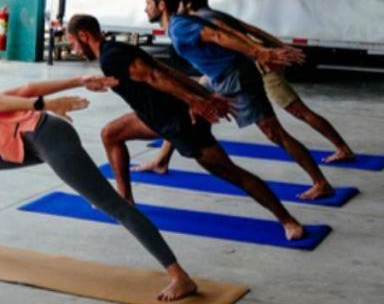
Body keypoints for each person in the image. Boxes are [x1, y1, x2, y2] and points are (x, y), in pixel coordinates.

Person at [0, 69, 200, 302]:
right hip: (29, 144)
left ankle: (179, 275)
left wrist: (44, 105)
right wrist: (78, 80)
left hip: (46, 137)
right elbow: (24, 90)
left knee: (112, 205)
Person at [64, 13, 308, 241]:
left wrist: (198, 101)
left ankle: (288, 220)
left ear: (85, 35)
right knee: (110, 134)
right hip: (153, 119)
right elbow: (167, 70)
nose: (73, 48)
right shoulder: (115, 51)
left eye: (73, 42)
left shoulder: (111, 56)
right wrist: (205, 94)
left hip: (180, 123)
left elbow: (155, 76)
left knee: (231, 173)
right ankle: (126, 201)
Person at [146, 0, 335, 201]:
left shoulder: (179, 27)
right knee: (185, 109)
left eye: (148, 3)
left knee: (275, 134)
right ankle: (162, 160)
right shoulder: (182, 23)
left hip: (236, 77)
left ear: (161, 5)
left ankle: (321, 183)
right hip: (218, 77)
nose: (145, 8)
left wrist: (259, 52)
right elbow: (226, 29)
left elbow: (219, 35)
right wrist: (263, 49)